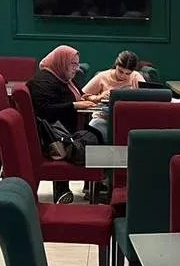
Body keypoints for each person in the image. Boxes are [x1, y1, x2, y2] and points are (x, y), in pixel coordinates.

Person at [26, 45, 100, 203]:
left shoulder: (63, 78)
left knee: (98, 133)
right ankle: (89, 186)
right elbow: (43, 111)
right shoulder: (43, 82)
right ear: (61, 62)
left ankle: (93, 186)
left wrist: (89, 97)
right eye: (73, 64)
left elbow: (77, 94)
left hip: (65, 129)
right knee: (97, 137)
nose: (76, 68)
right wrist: (74, 105)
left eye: (77, 64)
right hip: (53, 137)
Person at [78, 50, 142, 143]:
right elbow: (82, 95)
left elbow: (147, 96)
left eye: (128, 73)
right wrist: (99, 98)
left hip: (128, 119)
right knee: (93, 130)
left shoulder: (136, 77)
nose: (123, 76)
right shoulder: (103, 76)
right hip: (103, 119)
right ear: (116, 65)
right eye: (120, 71)